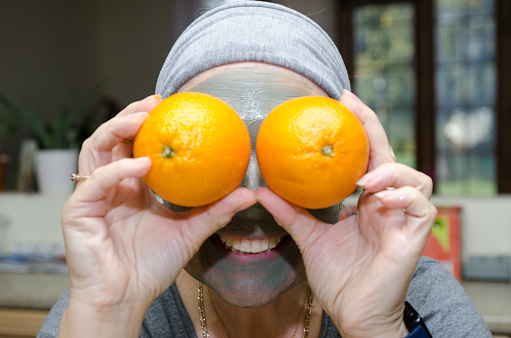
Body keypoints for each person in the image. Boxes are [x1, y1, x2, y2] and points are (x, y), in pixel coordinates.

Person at [38, 1, 491, 337]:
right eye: (222, 157)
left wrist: (377, 326)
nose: (252, 199)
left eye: (283, 156)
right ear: (149, 168)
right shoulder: (99, 304)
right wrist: (109, 311)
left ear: (356, 166)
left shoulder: (417, 299)